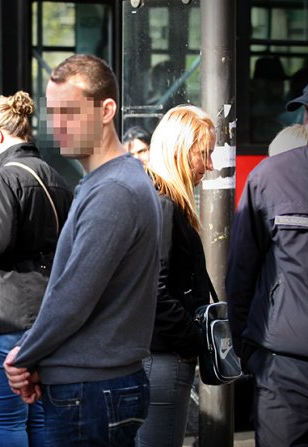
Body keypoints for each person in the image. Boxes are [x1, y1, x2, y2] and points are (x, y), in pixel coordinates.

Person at [3, 54, 162, 447]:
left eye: (70, 112)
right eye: (53, 113)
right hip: (93, 386)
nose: (57, 126)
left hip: (92, 392)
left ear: (107, 109)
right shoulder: (107, 182)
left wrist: (23, 355)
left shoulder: (114, 190)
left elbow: (73, 296)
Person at [0, 91, 72, 446]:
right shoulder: (55, 177)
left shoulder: (2, 178)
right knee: (39, 417)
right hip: (45, 312)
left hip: (2, 314)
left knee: (6, 420)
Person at [135, 105, 215, 447]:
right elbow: (155, 288)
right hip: (165, 355)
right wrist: (190, 342)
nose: (209, 166)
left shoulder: (156, 198)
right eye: (204, 154)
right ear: (181, 151)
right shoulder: (165, 205)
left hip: (158, 353)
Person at [226, 143, 308, 446]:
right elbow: (241, 272)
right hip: (282, 362)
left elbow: (240, 271)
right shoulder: (271, 177)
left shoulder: (270, 176)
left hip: (282, 363)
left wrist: (243, 344)